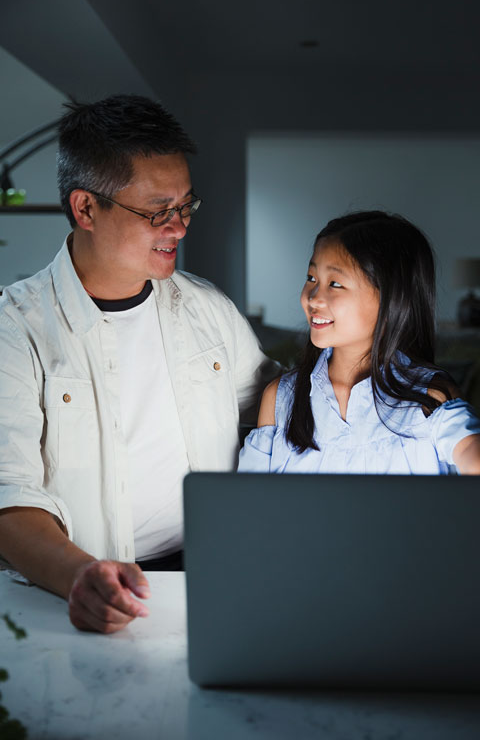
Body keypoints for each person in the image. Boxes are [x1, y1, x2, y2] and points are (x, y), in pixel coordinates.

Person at [0, 94, 278, 633]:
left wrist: (385, 382)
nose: (178, 227)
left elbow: (276, 403)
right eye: (157, 211)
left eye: (186, 206)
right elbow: (9, 497)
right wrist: (82, 576)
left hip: (210, 575)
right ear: (86, 209)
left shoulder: (207, 309)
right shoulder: (15, 328)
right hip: (77, 593)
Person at [238, 211, 480, 475]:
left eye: (335, 283)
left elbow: (478, 457)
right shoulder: (281, 398)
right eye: (312, 278)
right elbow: (249, 502)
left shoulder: (430, 397)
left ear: (391, 301)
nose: (313, 298)